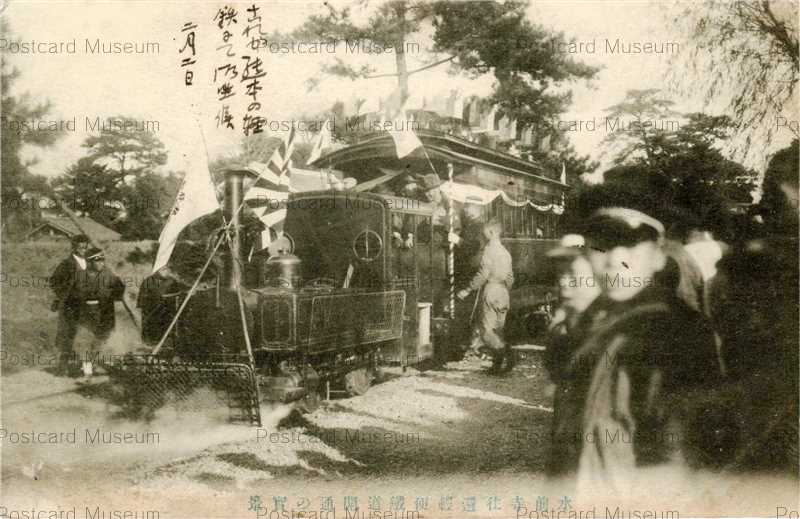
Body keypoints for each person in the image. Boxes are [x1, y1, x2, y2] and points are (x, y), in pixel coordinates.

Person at [559, 208, 720, 494]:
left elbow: (681, 457)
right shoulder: (593, 320)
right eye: (602, 246)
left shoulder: (674, 331)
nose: (614, 261)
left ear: (659, 258)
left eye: (631, 246)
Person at [457, 219, 514, 374]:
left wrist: (467, 289)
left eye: (485, 233)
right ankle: (498, 366)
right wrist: (504, 289)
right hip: (503, 292)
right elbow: (510, 277)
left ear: (492, 232)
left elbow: (483, 274)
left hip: (492, 290)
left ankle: (507, 353)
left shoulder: (489, 251)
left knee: (486, 332)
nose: (483, 236)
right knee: (498, 330)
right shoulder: (505, 252)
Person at [75, 247, 124, 378]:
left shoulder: (108, 274)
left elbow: (119, 291)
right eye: (97, 260)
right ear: (89, 262)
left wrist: (117, 283)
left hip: (106, 312)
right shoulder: (81, 275)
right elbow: (81, 293)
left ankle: (94, 364)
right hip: (89, 313)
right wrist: (104, 293)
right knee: (85, 340)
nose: (101, 263)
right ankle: (87, 370)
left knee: (101, 339)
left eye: (102, 260)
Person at [49, 234, 90, 375]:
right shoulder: (67, 264)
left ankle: (84, 368)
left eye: (85, 247)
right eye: (80, 247)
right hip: (70, 306)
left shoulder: (90, 262)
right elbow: (54, 281)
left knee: (86, 335)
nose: (83, 249)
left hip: (87, 306)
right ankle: (63, 368)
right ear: (74, 247)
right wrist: (65, 294)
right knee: (68, 335)